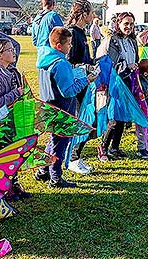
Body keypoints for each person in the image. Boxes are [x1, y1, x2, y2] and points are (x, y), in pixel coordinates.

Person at [34, 27, 96, 188]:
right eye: (68, 43)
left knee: (54, 141)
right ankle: (55, 178)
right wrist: (87, 80)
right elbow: (68, 91)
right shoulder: (61, 63)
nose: (71, 46)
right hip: (62, 110)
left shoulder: (46, 59)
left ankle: (43, 170)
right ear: (58, 46)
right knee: (60, 144)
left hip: (50, 108)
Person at [0, 31, 30, 200]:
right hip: (3, 124)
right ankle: (5, 189)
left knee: (15, 153)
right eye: (9, 50)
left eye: (13, 50)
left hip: (14, 119)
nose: (13, 52)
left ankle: (15, 185)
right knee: (6, 156)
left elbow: (17, 45)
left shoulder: (10, 68)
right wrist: (15, 93)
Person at [97, 12, 139, 161]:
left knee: (124, 116)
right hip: (116, 82)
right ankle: (103, 147)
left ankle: (115, 147)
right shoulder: (112, 41)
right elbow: (111, 63)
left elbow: (136, 59)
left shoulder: (133, 41)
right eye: (126, 23)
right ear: (118, 24)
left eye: (131, 24)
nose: (129, 27)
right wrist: (127, 67)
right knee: (114, 117)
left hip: (129, 81)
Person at [64, 0, 95, 174]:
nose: (93, 15)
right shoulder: (72, 33)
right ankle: (72, 158)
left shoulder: (82, 33)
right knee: (77, 122)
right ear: (83, 14)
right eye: (91, 12)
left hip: (85, 83)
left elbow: (85, 59)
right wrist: (85, 67)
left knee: (85, 121)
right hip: (75, 86)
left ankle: (76, 156)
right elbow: (69, 63)